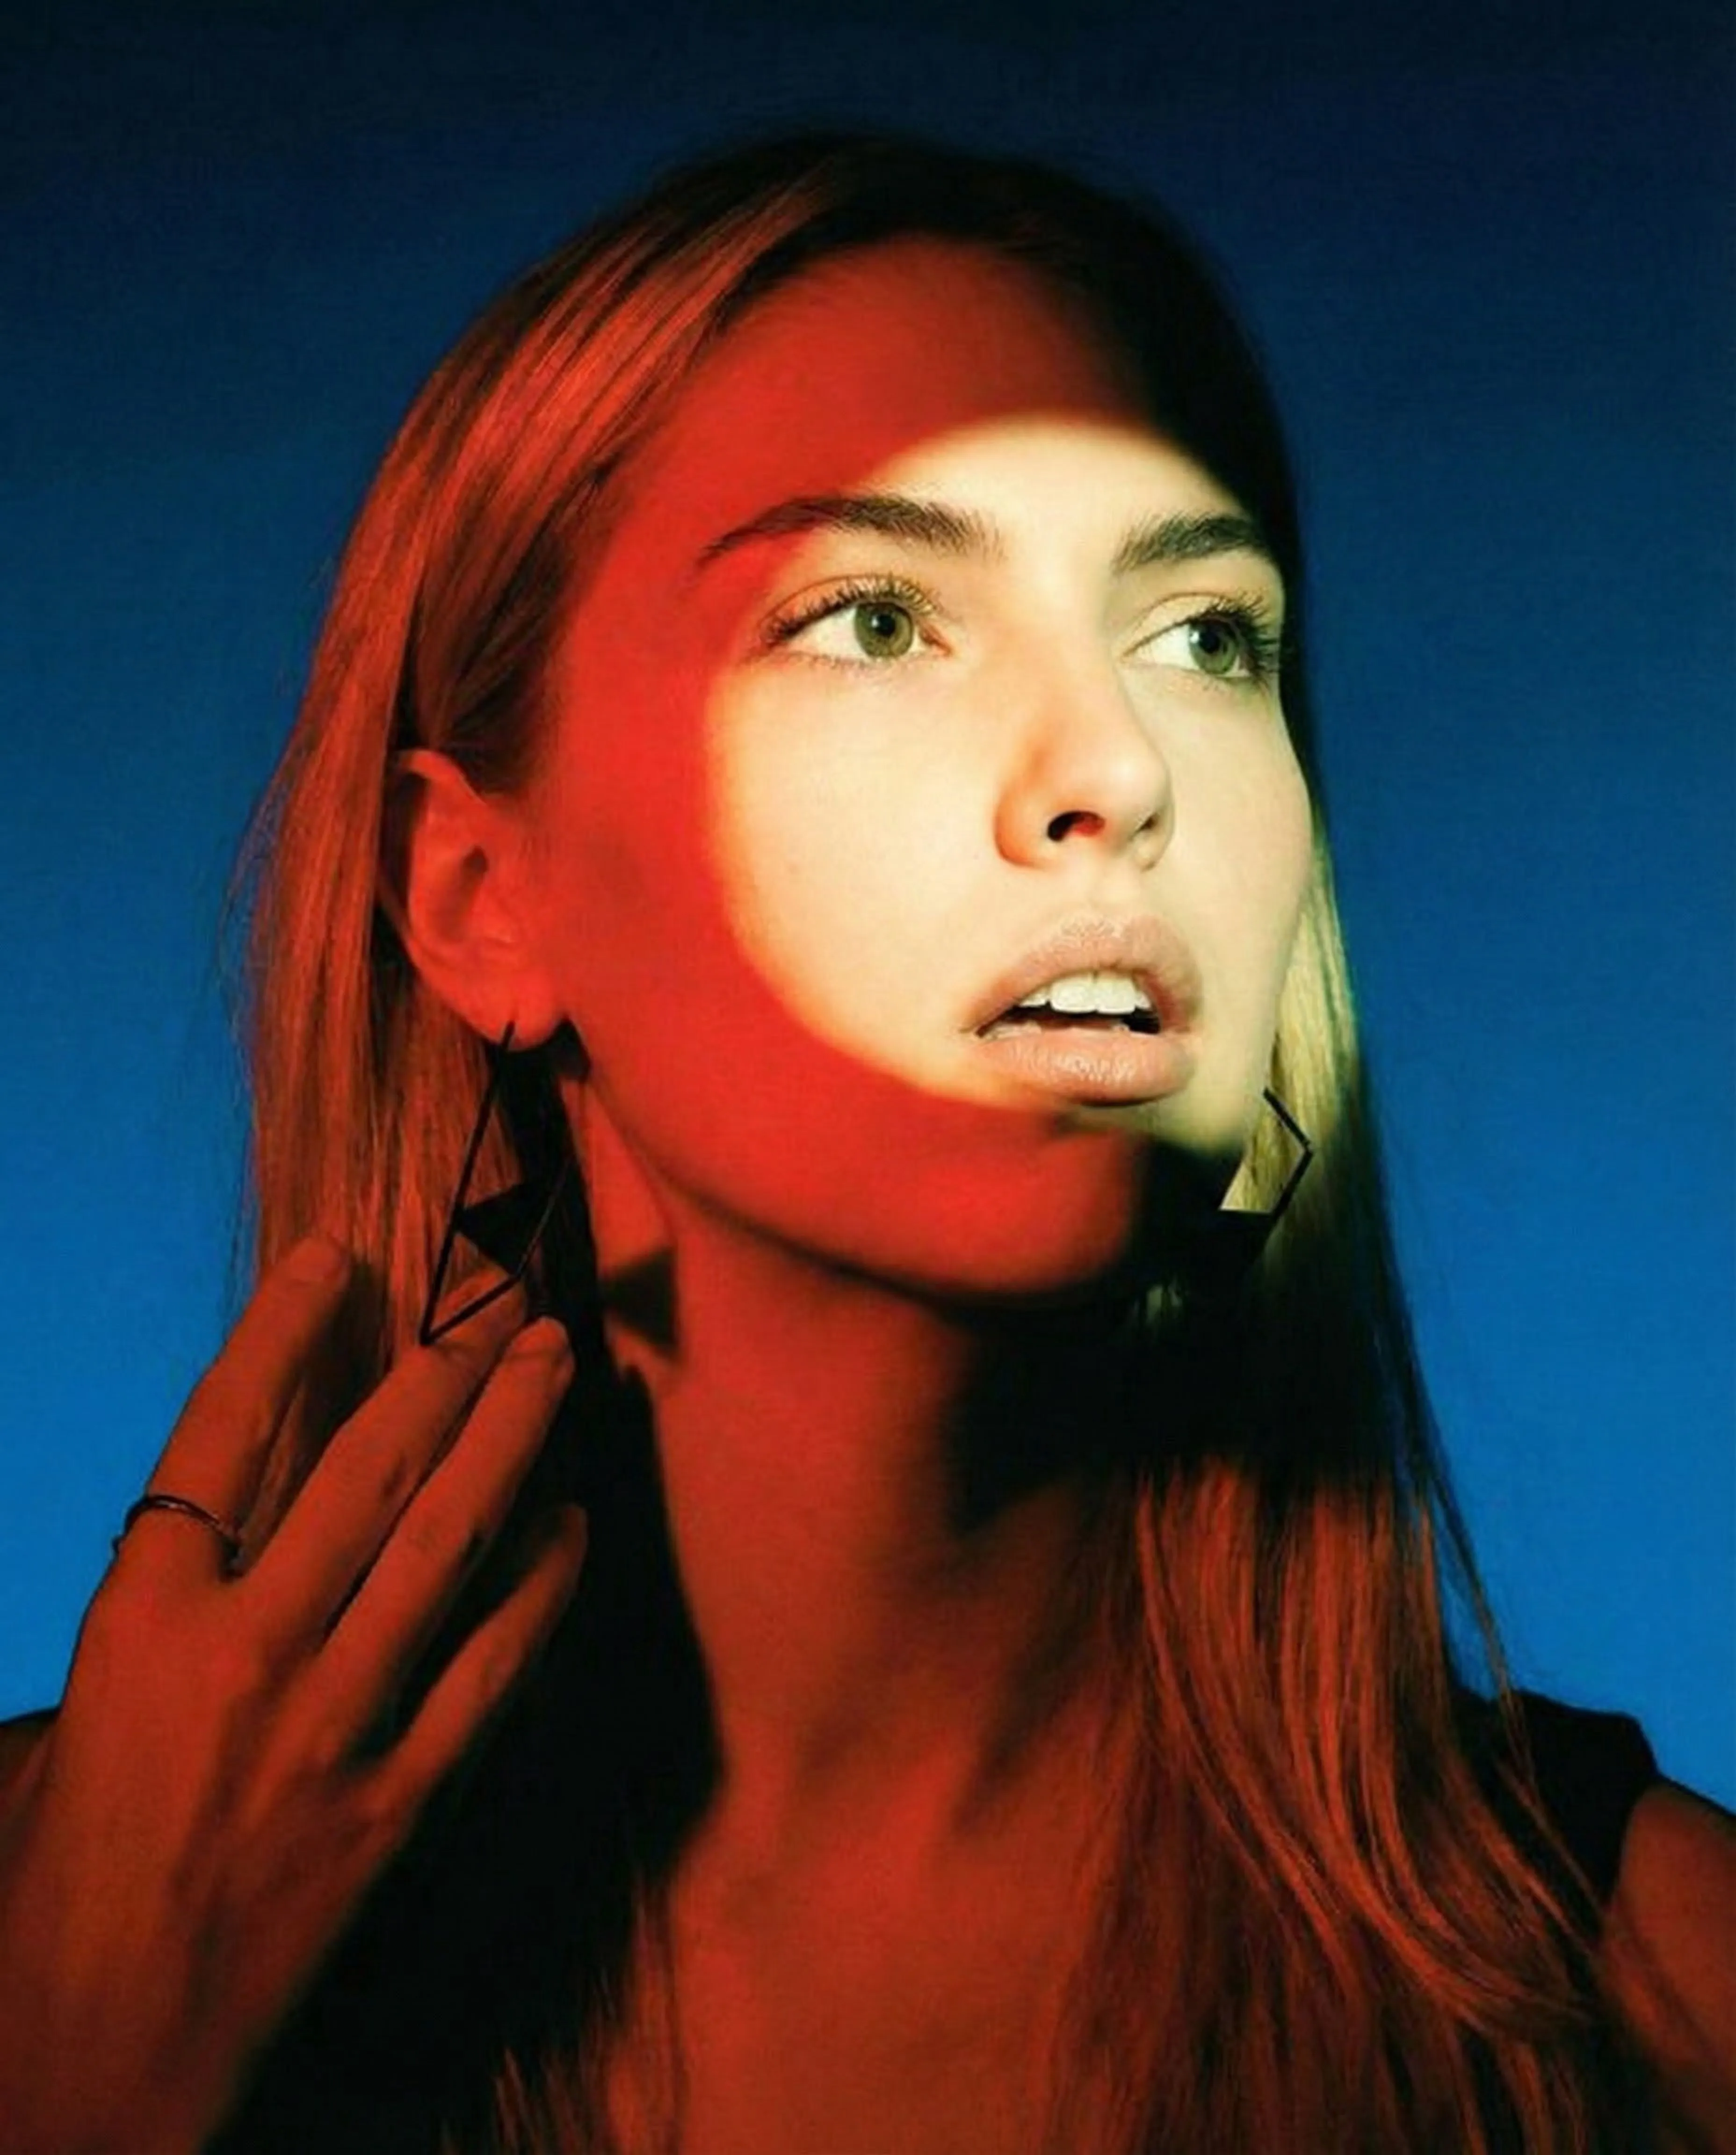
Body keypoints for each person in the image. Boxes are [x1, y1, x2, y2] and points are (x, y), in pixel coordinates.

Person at [0, 130, 1729, 2155]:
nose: (1116, 771)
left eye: (1204, 638)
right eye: (876, 622)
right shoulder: (58, 1938)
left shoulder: (1651, 1999)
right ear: (479, 896)